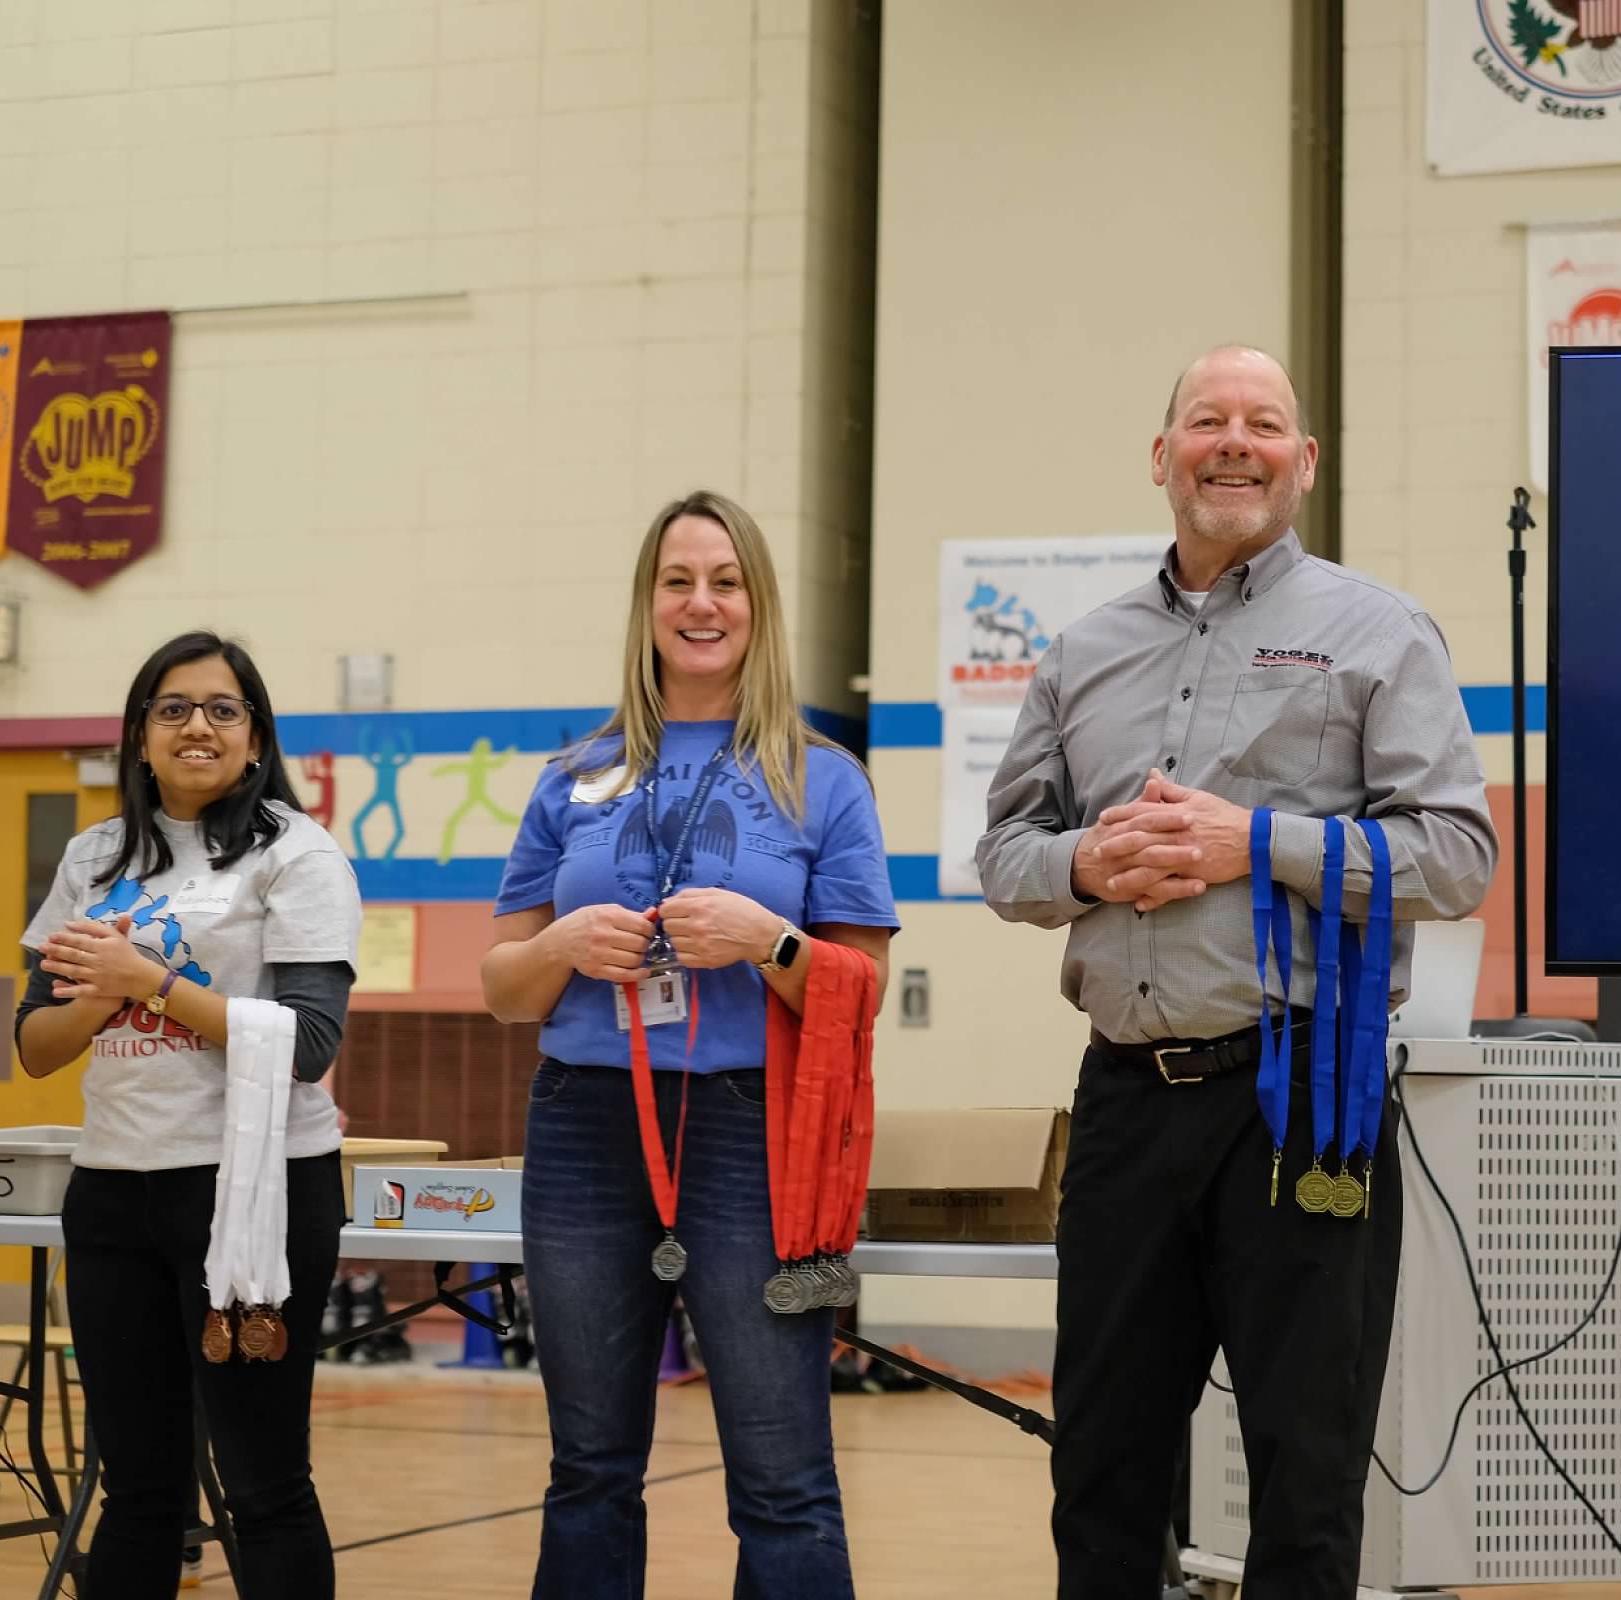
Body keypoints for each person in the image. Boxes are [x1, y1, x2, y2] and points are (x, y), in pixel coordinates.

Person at [975, 345, 1498, 1599]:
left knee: (1305, 1476)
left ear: (1303, 464)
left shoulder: (1379, 632)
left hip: (1301, 1099)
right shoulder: (1081, 650)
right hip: (1124, 1103)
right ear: (1161, 457)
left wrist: (1255, 841)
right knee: (1100, 1466)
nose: (1233, 440)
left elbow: (1457, 857)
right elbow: (1004, 855)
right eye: (1205, 420)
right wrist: (1090, 866)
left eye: (1264, 422)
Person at [482, 489, 898, 1600]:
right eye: (679, 581)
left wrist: (771, 942)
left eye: (726, 581)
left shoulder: (825, 778)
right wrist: (564, 941)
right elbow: (504, 989)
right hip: (584, 1126)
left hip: (749, 1132)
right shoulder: (573, 776)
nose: (701, 602)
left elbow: (860, 991)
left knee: (781, 1474)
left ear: (758, 605)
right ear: (648, 603)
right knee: (589, 1468)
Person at [16, 631, 362, 1600]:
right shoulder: (93, 856)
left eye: (221, 707)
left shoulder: (296, 852)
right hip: (115, 1193)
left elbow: (309, 1044)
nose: (196, 725)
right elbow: (36, 1044)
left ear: (255, 739)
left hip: (254, 1193)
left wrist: (149, 980)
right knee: (136, 1489)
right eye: (172, 708)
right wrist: (101, 994)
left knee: (263, 1483)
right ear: (139, 735)